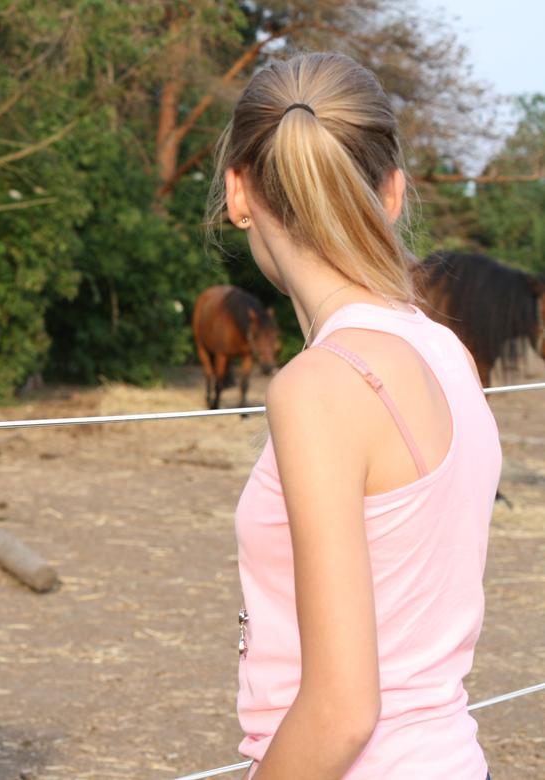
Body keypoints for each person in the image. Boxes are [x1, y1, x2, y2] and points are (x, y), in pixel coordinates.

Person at [207, 52, 501, 779]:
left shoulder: (318, 388)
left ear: (238, 192)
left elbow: (342, 712)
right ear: (393, 191)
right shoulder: (447, 352)